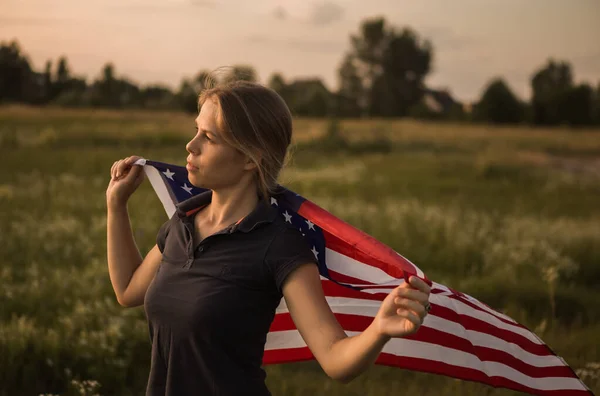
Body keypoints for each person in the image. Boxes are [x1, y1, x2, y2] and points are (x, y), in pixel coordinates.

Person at [106, 80, 431, 396]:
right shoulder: (182, 223)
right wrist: (116, 206)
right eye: (196, 130)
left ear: (250, 158)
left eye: (208, 137)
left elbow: (334, 358)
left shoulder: (279, 245)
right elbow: (128, 290)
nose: (191, 146)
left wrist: (379, 330)